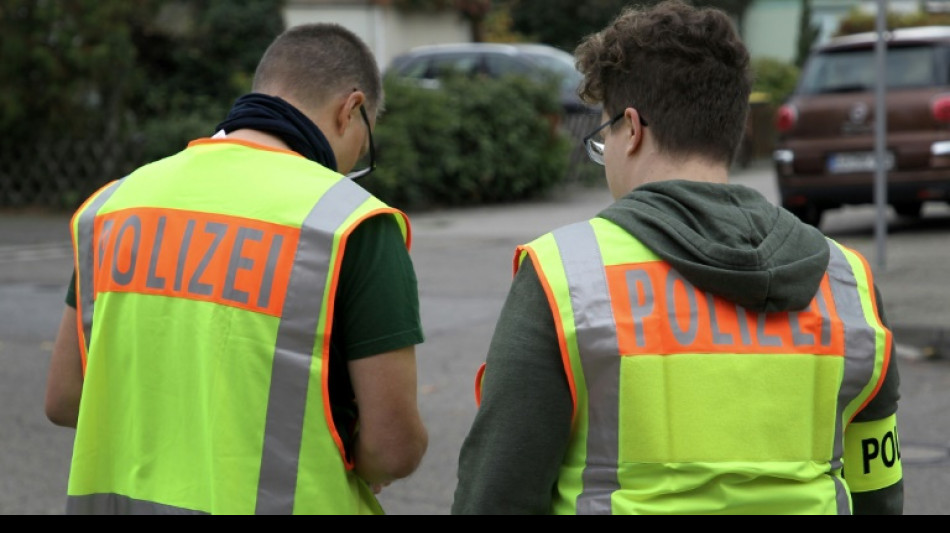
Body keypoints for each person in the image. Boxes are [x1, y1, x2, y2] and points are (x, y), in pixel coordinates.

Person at [452, 0, 902, 515]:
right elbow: (878, 489)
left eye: (603, 140)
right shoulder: (847, 282)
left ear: (633, 128)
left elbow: (497, 494)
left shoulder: (566, 276)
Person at [44, 22, 428, 515]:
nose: (356, 157)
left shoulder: (115, 205)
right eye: (365, 135)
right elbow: (393, 448)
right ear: (350, 109)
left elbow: (64, 399)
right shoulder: (348, 223)